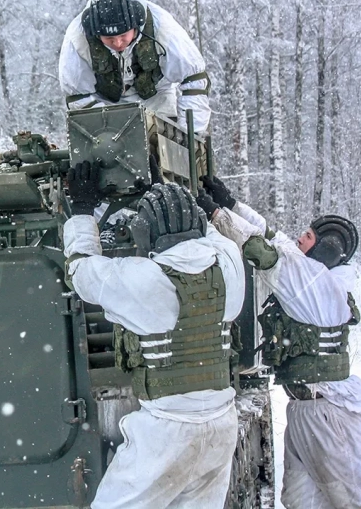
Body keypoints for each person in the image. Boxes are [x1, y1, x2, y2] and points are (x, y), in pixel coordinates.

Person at [196, 176, 361, 509]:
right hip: (307, 409)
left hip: (329, 416)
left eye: (309, 236)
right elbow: (274, 237)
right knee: (301, 501)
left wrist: (216, 215)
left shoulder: (317, 286)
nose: (300, 237)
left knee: (355, 502)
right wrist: (231, 205)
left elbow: (262, 251)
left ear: (325, 249)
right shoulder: (317, 276)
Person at [64, 161, 245, 508]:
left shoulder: (147, 280)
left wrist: (83, 209)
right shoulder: (229, 261)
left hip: (168, 432)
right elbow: (211, 233)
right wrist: (169, 195)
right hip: (222, 424)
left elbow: (80, 270)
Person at [58, 0, 211, 135]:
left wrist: (191, 134)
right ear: (97, 34)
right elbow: (78, 96)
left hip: (156, 99)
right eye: (109, 38)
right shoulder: (77, 39)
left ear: (135, 26)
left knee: (165, 146)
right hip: (103, 104)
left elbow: (194, 79)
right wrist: (106, 130)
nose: (118, 43)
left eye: (123, 35)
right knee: (108, 146)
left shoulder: (162, 27)